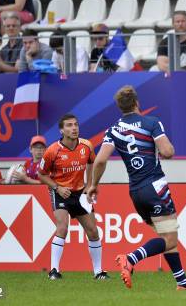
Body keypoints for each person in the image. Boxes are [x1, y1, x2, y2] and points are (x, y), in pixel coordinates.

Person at [86, 86, 186, 290]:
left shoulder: (113, 130)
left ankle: (183, 283)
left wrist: (93, 185)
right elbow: (168, 151)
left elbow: (100, 160)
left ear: (120, 107)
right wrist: (163, 147)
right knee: (170, 238)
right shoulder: (151, 122)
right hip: (155, 187)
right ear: (137, 103)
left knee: (166, 237)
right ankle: (130, 258)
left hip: (136, 192)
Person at [38, 114, 109, 280]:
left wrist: (89, 185)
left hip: (80, 193)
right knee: (62, 227)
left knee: (93, 230)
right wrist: (57, 187)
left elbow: (92, 162)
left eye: (76, 125)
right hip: (60, 192)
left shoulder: (86, 146)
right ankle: (54, 270)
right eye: (69, 125)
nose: (74, 128)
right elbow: (41, 175)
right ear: (62, 130)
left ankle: (98, 272)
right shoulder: (52, 151)